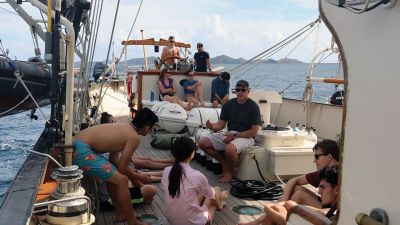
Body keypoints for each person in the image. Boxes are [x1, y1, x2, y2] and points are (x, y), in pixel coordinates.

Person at [73, 108, 158, 225]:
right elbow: (123, 167)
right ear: (147, 127)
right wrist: (139, 177)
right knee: (122, 180)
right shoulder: (134, 137)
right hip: (81, 150)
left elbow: (114, 159)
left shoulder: (125, 128)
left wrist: (135, 174)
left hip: (77, 147)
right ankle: (132, 221)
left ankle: (121, 214)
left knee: (114, 179)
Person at [240, 139, 340, 225]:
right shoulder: (325, 172)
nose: (314, 160)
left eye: (317, 157)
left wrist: (287, 205)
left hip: (330, 212)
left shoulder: (339, 175)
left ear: (329, 157)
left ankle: (261, 221)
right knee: (296, 190)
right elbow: (294, 180)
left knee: (291, 201)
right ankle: (266, 218)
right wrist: (284, 200)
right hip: (326, 206)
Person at [198, 80, 261, 182]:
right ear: (235, 91)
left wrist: (235, 136)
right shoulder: (228, 104)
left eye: (243, 90)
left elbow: (254, 132)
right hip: (231, 133)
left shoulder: (253, 107)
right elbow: (221, 124)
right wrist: (212, 126)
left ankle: (231, 172)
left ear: (248, 91)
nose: (240, 92)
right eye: (238, 90)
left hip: (247, 136)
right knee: (202, 142)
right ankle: (223, 162)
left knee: (230, 148)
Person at [161, 137, 229, 225]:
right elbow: (213, 198)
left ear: (173, 153)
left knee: (201, 192)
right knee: (215, 191)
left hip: (172, 221)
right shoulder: (197, 176)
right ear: (192, 153)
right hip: (195, 223)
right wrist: (219, 205)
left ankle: (222, 197)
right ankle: (221, 200)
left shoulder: (166, 171)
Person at [253, 165, 339, 225]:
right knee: (288, 203)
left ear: (336, 189)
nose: (319, 192)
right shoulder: (333, 210)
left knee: (275, 210)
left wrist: (267, 208)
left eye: (323, 188)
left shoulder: (333, 214)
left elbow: (285, 221)